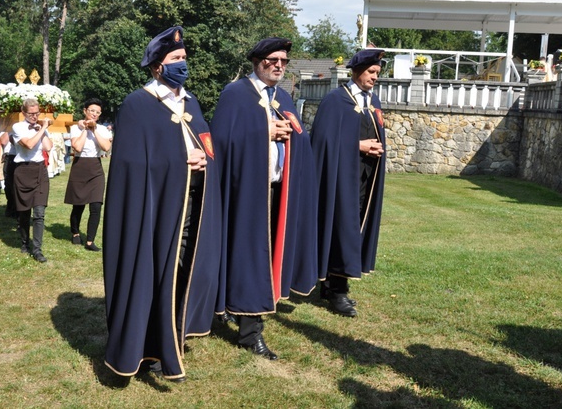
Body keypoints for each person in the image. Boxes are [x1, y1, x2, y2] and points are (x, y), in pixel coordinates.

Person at [103, 26, 222, 383]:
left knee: (180, 273)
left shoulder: (191, 102)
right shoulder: (137, 104)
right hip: (152, 213)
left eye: (184, 58)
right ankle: (144, 348)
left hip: (189, 209)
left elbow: (206, 145)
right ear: (157, 66)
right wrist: (180, 160)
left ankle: (170, 340)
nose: (182, 64)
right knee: (151, 276)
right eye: (175, 59)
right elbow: (131, 164)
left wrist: (204, 159)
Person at [211, 37, 320, 360]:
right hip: (244, 192)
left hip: (276, 191)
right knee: (246, 256)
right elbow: (221, 139)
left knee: (263, 256)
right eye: (273, 60)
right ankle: (249, 331)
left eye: (284, 61)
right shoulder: (236, 94)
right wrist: (264, 131)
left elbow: (298, 139)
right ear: (257, 61)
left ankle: (241, 313)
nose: (279, 66)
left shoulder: (283, 97)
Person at [311, 48, 387, 317]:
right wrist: (359, 145)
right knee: (340, 226)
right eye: (371, 72)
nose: (375, 77)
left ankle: (335, 284)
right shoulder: (335, 100)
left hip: (366, 177)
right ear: (356, 71)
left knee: (354, 226)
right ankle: (335, 289)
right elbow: (322, 141)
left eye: (377, 73)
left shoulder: (372, 101)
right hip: (340, 177)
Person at [64, 98, 112, 251]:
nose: (94, 114)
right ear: (85, 111)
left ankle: (90, 241)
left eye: (97, 112)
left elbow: (105, 147)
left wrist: (94, 130)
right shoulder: (76, 128)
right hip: (80, 165)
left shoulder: (103, 129)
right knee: (78, 205)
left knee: (96, 205)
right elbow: (77, 147)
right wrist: (85, 129)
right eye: (91, 111)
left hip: (95, 168)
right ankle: (75, 232)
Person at [11, 98, 53, 263]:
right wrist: (42, 128)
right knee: (24, 212)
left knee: (39, 213)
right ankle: (24, 241)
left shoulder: (40, 128)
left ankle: (37, 249)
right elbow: (28, 144)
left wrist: (42, 130)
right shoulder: (17, 127)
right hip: (23, 171)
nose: (35, 116)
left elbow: (48, 147)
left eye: (37, 113)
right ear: (23, 113)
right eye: (31, 113)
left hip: (39, 170)